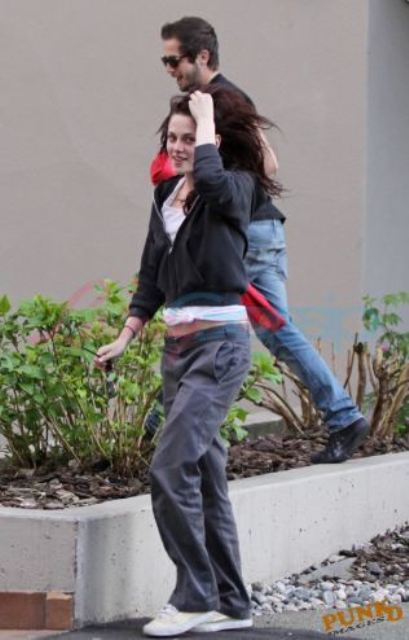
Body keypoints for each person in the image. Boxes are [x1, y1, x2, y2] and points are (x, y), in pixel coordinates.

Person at [96, 87, 281, 636]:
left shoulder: (238, 188)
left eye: (188, 137)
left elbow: (216, 181)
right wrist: (127, 335)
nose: (177, 147)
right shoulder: (166, 194)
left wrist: (205, 119)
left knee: (170, 466)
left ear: (212, 142)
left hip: (220, 346)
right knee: (203, 475)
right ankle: (232, 602)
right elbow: (153, 271)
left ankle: (194, 594)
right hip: (177, 351)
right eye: (171, 138)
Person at [157, 16, 369, 464]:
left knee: (252, 327)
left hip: (248, 234)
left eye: (174, 60)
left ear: (202, 57)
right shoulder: (212, 101)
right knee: (198, 318)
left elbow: (267, 165)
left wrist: (222, 182)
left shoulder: (222, 100)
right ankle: (157, 429)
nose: (169, 69)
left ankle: (344, 416)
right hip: (246, 231)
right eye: (166, 62)